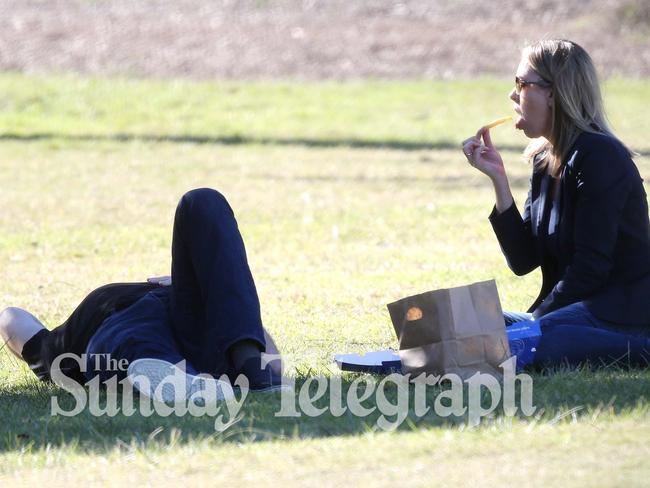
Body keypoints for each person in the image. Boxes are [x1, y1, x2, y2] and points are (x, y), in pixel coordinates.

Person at [462, 39, 650, 368]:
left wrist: (533, 325)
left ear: (554, 93)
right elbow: (523, 260)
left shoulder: (600, 157)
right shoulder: (544, 158)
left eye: (521, 84)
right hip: (564, 316)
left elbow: (590, 271)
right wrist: (499, 180)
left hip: (619, 319)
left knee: (520, 344)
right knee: (460, 319)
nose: (512, 95)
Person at [0, 188, 287, 401]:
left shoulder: (58, 352)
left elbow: (11, 319)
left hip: (126, 321)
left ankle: (188, 373)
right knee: (202, 200)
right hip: (198, 323)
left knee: (125, 345)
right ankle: (244, 369)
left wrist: (42, 362)